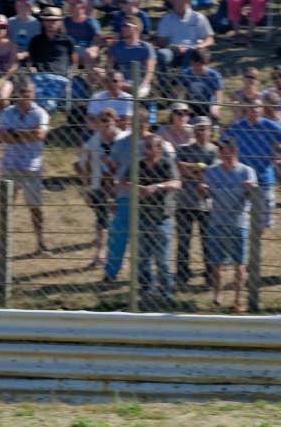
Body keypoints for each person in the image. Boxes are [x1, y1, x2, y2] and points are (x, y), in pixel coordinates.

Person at [117, 133, 181, 304]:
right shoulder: (137, 165)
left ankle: (166, 294)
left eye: (149, 147)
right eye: (144, 147)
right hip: (141, 217)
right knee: (142, 258)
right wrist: (138, 188)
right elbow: (121, 183)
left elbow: (177, 183)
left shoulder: (167, 164)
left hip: (162, 218)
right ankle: (147, 291)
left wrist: (157, 187)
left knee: (163, 260)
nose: (145, 150)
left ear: (159, 149)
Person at [200, 137, 257, 311]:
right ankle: (218, 296)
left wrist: (250, 189)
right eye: (220, 150)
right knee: (217, 263)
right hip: (217, 221)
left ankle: (238, 299)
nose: (222, 152)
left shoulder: (247, 171)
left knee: (240, 263)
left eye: (225, 149)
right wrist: (203, 191)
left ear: (234, 151)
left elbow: (253, 197)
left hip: (239, 222)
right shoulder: (211, 171)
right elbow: (206, 198)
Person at [220, 98, 281, 230]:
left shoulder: (270, 126)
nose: (255, 110)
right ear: (246, 109)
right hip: (242, 179)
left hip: (264, 178)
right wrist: (231, 160)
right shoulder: (238, 127)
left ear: (262, 109)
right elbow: (222, 142)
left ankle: (256, 245)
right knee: (240, 219)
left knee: (262, 223)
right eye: (251, 107)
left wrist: (279, 154)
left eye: (257, 107)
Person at [0, 79, 50, 253]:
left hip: (31, 166)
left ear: (33, 94)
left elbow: (40, 134)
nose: (25, 95)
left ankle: (40, 243)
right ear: (16, 94)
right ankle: (2, 243)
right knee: (5, 206)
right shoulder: (7, 112)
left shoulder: (40, 113)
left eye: (28, 92)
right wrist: (28, 133)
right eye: (22, 92)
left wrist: (15, 133)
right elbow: (3, 137)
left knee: (35, 207)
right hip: (9, 165)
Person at [76, 106, 130, 268]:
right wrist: (86, 189)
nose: (106, 124)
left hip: (121, 185)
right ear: (98, 124)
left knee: (120, 221)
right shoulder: (93, 142)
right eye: (102, 121)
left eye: (109, 120)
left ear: (115, 122)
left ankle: (120, 256)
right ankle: (100, 255)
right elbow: (85, 166)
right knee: (102, 219)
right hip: (100, 184)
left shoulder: (124, 140)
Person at [174, 115, 217, 286]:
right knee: (183, 241)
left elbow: (211, 173)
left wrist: (190, 169)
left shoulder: (214, 151)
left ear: (210, 132)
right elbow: (179, 168)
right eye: (197, 129)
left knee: (207, 242)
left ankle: (209, 274)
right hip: (184, 202)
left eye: (203, 129)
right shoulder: (184, 148)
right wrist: (199, 169)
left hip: (205, 204)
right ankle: (183, 274)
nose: (200, 133)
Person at [155, 0, 213, 76]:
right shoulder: (167, 18)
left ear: (188, 0)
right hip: (172, 51)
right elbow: (161, 42)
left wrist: (197, 46)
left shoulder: (198, 18)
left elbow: (210, 40)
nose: (174, 1)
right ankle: (164, 86)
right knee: (161, 54)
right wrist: (172, 46)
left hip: (192, 51)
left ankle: (183, 83)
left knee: (190, 53)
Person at [108, 15, 154, 97]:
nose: (122, 28)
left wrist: (140, 87)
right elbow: (109, 67)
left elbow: (149, 72)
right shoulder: (115, 46)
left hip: (139, 83)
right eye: (122, 26)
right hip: (120, 82)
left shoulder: (146, 47)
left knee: (137, 93)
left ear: (136, 29)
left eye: (126, 26)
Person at [174, 48, 222, 123]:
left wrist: (215, 107)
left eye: (198, 65)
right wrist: (178, 106)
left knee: (215, 116)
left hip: (207, 106)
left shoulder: (214, 75)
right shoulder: (186, 73)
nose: (195, 67)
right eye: (193, 64)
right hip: (191, 106)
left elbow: (218, 99)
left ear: (206, 63)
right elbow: (177, 92)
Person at [62, 0, 103, 74]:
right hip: (69, 51)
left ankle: (90, 82)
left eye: (73, 4)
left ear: (82, 6)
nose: (70, 7)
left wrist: (91, 50)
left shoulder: (91, 22)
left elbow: (98, 43)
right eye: (69, 4)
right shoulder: (65, 21)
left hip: (84, 52)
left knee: (91, 54)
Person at [28, 5, 76, 75]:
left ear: (60, 22)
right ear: (43, 22)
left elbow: (74, 62)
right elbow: (30, 59)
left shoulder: (68, 41)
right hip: (40, 78)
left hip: (61, 79)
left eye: (54, 20)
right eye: (47, 20)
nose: (51, 23)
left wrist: (70, 76)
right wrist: (31, 68)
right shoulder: (35, 41)